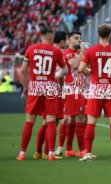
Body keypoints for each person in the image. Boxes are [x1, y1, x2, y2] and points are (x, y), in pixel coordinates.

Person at [16, 27, 68, 161]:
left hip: (35, 86)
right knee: (51, 121)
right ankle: (50, 153)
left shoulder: (31, 48)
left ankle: (22, 153)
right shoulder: (56, 51)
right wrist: (59, 82)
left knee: (29, 121)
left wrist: (25, 86)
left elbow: (23, 70)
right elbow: (65, 70)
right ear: (51, 38)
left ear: (41, 36)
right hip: (50, 87)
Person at [79, 23, 111, 161]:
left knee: (91, 123)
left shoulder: (91, 50)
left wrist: (91, 72)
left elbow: (81, 68)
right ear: (110, 35)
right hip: (110, 89)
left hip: (95, 90)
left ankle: (87, 153)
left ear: (98, 35)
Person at [33, 31, 68, 160]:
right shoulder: (57, 52)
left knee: (46, 122)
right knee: (52, 121)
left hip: (43, 88)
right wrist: (62, 87)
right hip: (54, 90)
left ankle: (39, 151)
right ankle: (47, 152)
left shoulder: (48, 51)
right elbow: (60, 73)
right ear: (62, 41)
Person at [63, 31, 89, 157]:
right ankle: (83, 150)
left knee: (72, 119)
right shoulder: (68, 53)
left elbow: (84, 68)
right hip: (74, 89)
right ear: (69, 40)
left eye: (80, 38)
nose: (79, 40)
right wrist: (83, 50)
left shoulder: (78, 53)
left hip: (82, 90)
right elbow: (75, 65)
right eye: (76, 38)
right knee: (81, 118)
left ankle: (69, 149)